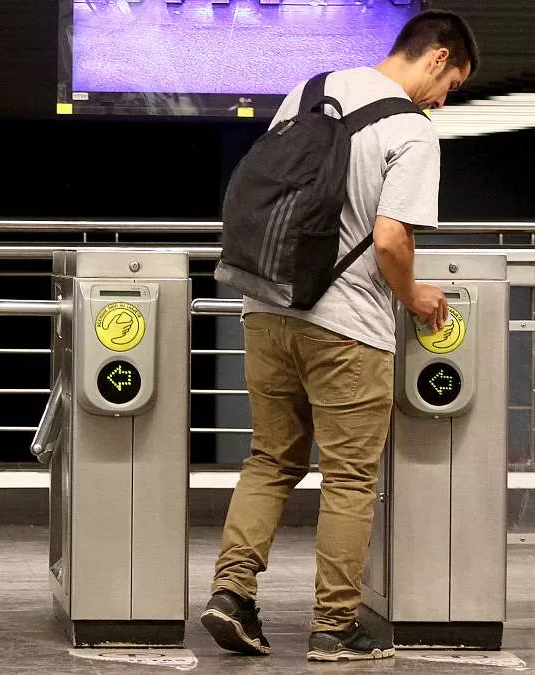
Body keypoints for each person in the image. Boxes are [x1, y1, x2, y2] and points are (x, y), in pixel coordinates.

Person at [200, 10, 480, 662]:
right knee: (350, 476)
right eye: (452, 85)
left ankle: (231, 592)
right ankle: (334, 627)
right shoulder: (410, 129)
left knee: (270, 458)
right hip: (348, 327)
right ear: (436, 58)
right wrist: (415, 296)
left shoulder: (310, 90)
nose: (443, 101)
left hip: (265, 308)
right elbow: (390, 238)